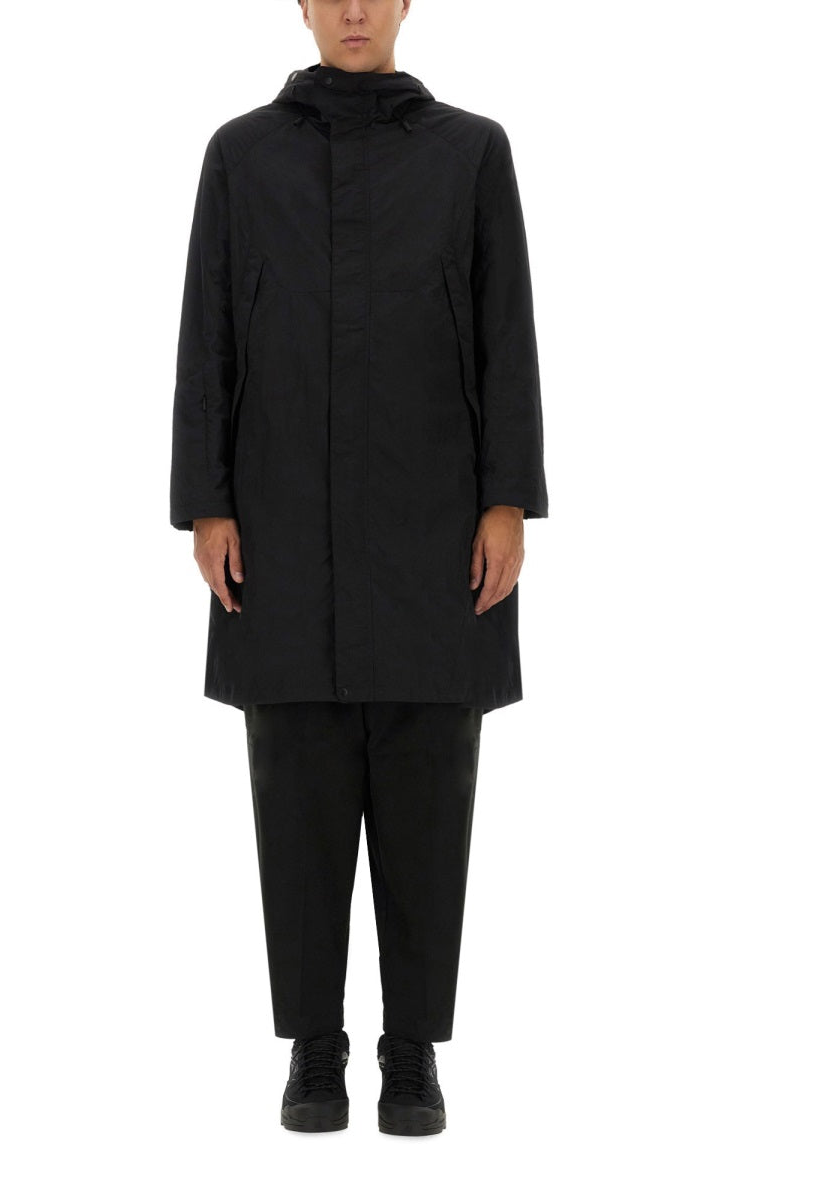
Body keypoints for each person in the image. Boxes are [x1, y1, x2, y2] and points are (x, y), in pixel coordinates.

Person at [169, 0, 548, 1136]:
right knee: (297, 786)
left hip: (437, 524)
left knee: (430, 785)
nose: (352, 9)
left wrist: (507, 499)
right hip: (279, 522)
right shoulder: (240, 156)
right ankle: (316, 1046)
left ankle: (413, 1048)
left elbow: (508, 331)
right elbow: (206, 335)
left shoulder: (472, 152)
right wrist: (206, 502)